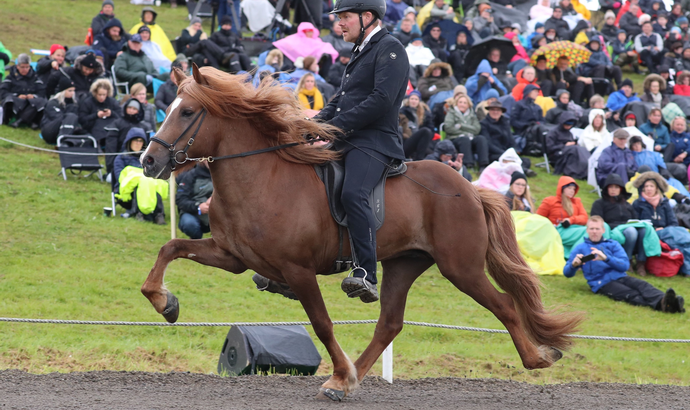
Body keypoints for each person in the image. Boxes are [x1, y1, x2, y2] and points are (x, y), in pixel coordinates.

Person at [312, 0, 409, 303]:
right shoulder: (358, 51)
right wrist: (309, 125)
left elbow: (381, 100)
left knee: (353, 193)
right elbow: (339, 99)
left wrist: (334, 127)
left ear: (367, 17)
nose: (339, 24)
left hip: (374, 141)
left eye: (344, 18)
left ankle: (366, 273)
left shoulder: (390, 49)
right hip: (347, 138)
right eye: (338, 18)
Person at [564, 216, 684, 313]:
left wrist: (606, 258)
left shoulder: (613, 244)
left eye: (597, 229)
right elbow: (567, 273)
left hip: (621, 276)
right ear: (587, 230)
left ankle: (668, 301)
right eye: (591, 229)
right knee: (631, 294)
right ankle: (664, 306)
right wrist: (573, 265)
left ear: (603, 230)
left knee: (644, 286)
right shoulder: (580, 248)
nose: (594, 232)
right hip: (601, 283)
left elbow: (624, 265)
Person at [591, 173, 650, 274]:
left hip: (628, 227)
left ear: (621, 189)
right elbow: (596, 221)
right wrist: (621, 226)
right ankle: (627, 260)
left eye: (616, 187)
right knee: (631, 231)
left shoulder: (626, 204)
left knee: (645, 230)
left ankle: (641, 262)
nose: (613, 189)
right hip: (612, 229)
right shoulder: (599, 203)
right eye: (611, 187)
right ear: (607, 189)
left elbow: (635, 219)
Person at [113, 127, 167, 225]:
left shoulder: (147, 159)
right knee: (140, 182)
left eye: (140, 141)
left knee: (155, 182)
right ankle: (139, 213)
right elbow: (120, 177)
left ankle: (159, 214)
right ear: (129, 141)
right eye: (135, 140)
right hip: (126, 194)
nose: (138, 143)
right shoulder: (121, 158)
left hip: (149, 188)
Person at [104, 98, 153, 175]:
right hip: (121, 159)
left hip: (139, 162)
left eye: (134, 109)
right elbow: (111, 148)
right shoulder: (117, 124)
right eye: (129, 108)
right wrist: (110, 168)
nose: (131, 110)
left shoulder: (144, 127)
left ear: (139, 111)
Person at [0, 54, 47, 129]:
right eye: (22, 67)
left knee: (40, 101)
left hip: (31, 103)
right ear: (17, 66)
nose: (25, 69)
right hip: (16, 102)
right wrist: (17, 95)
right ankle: (28, 121)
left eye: (27, 67)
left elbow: (42, 92)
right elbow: (3, 92)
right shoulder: (10, 77)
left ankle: (20, 120)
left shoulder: (35, 77)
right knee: (10, 100)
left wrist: (33, 96)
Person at [443, 94, 488, 170]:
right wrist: (464, 133)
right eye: (460, 102)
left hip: (471, 137)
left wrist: (461, 126)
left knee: (481, 139)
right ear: (456, 103)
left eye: (464, 103)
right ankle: (468, 165)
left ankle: (483, 165)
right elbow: (448, 128)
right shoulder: (451, 113)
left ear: (468, 105)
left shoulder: (472, 115)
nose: (462, 104)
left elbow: (477, 129)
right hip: (455, 138)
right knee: (465, 139)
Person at [546, 111, 591, 179]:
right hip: (557, 154)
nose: (568, 126)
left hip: (569, 152)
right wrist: (564, 145)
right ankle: (574, 172)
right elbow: (550, 147)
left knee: (582, 149)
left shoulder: (570, 133)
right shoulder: (553, 132)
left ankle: (585, 171)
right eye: (567, 124)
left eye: (570, 125)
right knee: (574, 149)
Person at [176, 161, 213, 239]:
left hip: (219, 215)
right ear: (202, 159)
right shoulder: (190, 175)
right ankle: (196, 243)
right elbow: (181, 200)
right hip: (193, 213)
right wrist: (199, 207)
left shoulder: (224, 175)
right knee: (189, 224)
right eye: (208, 158)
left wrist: (215, 199)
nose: (210, 161)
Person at [39, 76, 81, 144]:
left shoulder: (75, 103)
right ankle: (64, 141)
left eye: (73, 90)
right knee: (71, 116)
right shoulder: (53, 102)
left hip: (68, 128)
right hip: (50, 130)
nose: (72, 93)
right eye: (70, 90)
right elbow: (57, 117)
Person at [78, 78, 120, 143]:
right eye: (99, 95)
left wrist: (111, 113)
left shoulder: (112, 102)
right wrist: (96, 115)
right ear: (95, 93)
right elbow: (82, 119)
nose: (102, 97)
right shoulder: (87, 102)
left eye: (104, 95)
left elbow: (121, 117)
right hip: (92, 128)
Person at [400, 90, 433, 160]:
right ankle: (418, 160)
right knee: (425, 131)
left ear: (419, 101)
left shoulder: (425, 113)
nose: (413, 101)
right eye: (412, 99)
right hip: (406, 141)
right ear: (408, 100)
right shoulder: (402, 112)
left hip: (420, 141)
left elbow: (431, 128)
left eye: (416, 99)